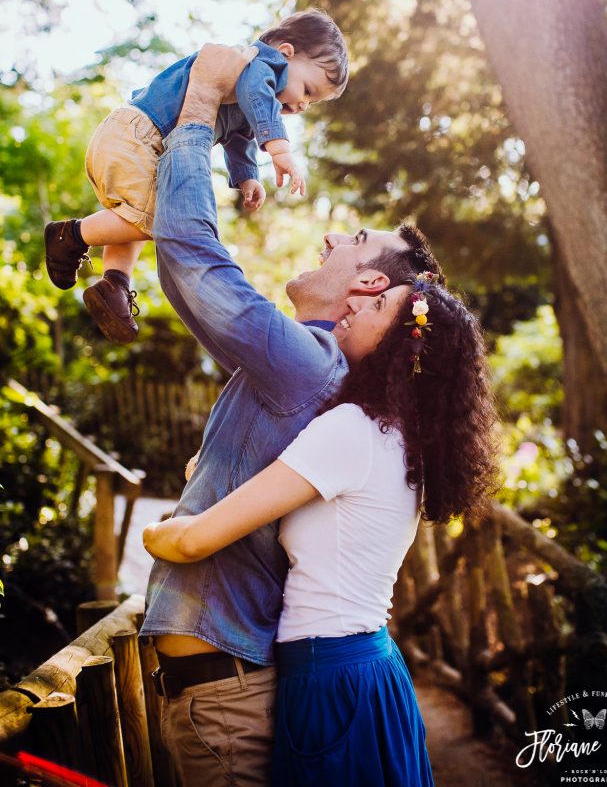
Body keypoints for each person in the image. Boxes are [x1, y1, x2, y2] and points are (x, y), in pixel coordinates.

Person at [135, 43, 446, 786]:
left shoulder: (307, 366)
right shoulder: (324, 379)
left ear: (368, 283)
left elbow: (191, 258)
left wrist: (202, 109)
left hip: (228, 699)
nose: (335, 235)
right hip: (233, 686)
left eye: (356, 239)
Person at [144, 270, 499, 786]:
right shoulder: (397, 437)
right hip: (362, 664)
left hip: (330, 674)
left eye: (378, 305)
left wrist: (155, 533)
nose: (358, 302)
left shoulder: (350, 430)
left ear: (400, 347)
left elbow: (194, 539)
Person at [43, 8, 348, 344]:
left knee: (135, 212)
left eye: (313, 102)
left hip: (136, 140)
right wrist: (280, 149)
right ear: (285, 54)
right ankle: (70, 235)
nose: (304, 105)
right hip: (141, 135)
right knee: (165, 220)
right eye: (307, 89)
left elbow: (239, 137)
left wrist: (246, 177)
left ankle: (115, 283)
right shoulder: (255, 63)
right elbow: (257, 92)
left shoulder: (247, 89)